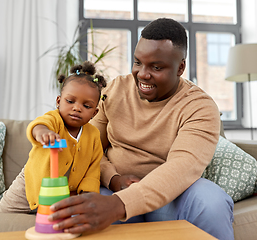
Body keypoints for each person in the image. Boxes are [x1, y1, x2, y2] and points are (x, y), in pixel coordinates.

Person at [47, 18, 234, 240]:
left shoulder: (199, 107)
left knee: (211, 201)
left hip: (173, 196)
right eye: (138, 63)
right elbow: (88, 146)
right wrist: (113, 179)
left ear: (180, 67)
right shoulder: (115, 89)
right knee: (85, 211)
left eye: (156, 67)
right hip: (115, 189)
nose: (143, 74)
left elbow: (182, 168)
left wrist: (120, 205)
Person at [0, 61, 107, 212]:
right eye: (70, 101)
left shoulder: (93, 134)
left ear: (94, 113)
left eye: (86, 106)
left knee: (54, 217)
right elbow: (40, 124)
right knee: (6, 210)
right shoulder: (55, 119)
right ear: (58, 101)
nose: (77, 108)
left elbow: (93, 168)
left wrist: (88, 194)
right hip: (32, 184)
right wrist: (43, 132)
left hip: (62, 192)